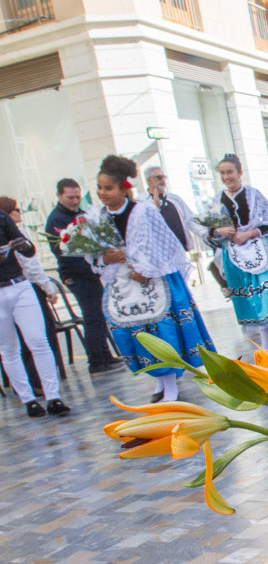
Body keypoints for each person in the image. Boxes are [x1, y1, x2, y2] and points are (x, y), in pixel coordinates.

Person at [91, 155, 213, 403]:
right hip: (121, 284)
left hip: (151, 279)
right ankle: (159, 381)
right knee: (136, 332)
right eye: (100, 188)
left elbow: (164, 245)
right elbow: (92, 253)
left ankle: (170, 386)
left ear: (123, 188)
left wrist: (145, 269)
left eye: (108, 188)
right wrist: (105, 258)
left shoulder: (143, 212)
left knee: (161, 330)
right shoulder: (95, 218)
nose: (102, 193)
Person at [209, 153, 268, 352]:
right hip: (233, 253)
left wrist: (250, 233)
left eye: (230, 172)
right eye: (223, 173)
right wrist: (219, 231)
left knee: (265, 293)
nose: (227, 177)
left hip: (258, 248)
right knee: (250, 296)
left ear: (240, 173)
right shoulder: (217, 199)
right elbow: (212, 230)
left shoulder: (253, 194)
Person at [0, 202, 68, 417]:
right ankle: (28, 400)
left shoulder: (2, 217)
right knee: (9, 348)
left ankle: (53, 397)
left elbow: (29, 250)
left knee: (38, 341)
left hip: (19, 285)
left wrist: (21, 245)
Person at [46, 177, 120, 373]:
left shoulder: (81, 214)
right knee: (92, 315)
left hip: (91, 272)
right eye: (70, 197)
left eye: (77, 197)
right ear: (59, 196)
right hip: (77, 274)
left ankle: (105, 354)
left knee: (100, 314)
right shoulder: (56, 220)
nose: (75, 201)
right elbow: (62, 251)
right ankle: (95, 360)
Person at [144, 166, 198, 252]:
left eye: (164, 177)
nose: (163, 180)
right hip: (161, 252)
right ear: (149, 180)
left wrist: (205, 234)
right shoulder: (142, 202)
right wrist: (156, 207)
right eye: (159, 177)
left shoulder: (174, 198)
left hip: (181, 249)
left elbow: (190, 218)